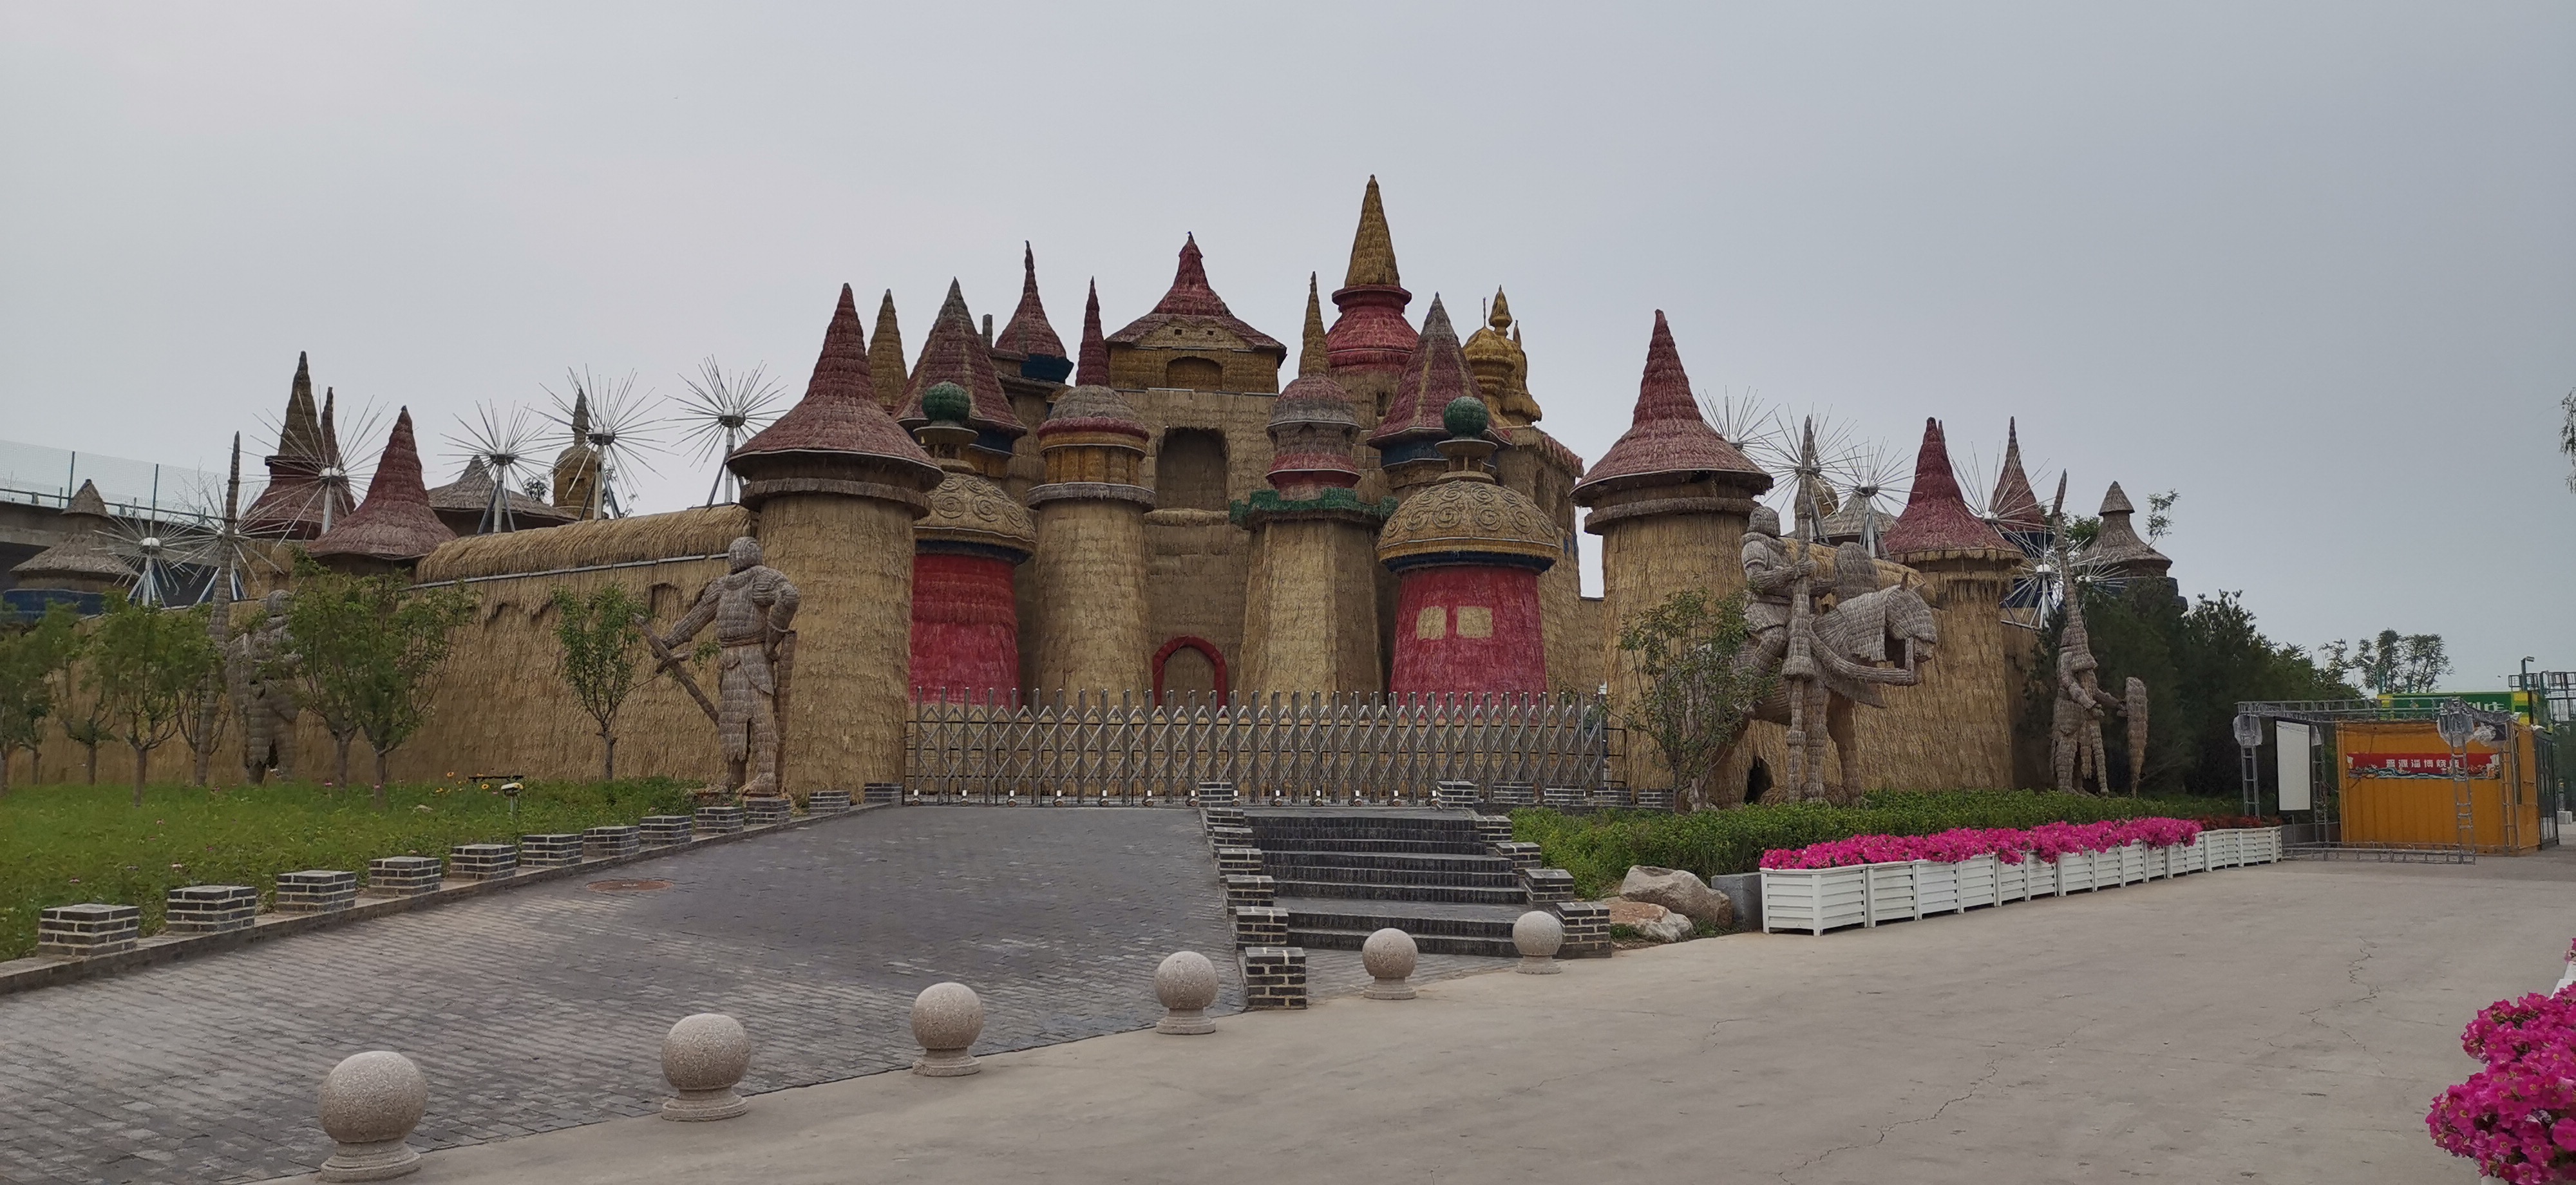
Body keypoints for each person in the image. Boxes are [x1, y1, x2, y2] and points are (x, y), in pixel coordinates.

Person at [662, 536, 799, 797]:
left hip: (754, 657)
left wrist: (772, 640)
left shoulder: (762, 577)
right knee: (732, 721)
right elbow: (697, 617)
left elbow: (789, 596)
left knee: (762, 717)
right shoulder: (723, 585)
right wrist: (670, 640)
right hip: (729, 659)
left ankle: (767, 775)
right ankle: (734, 779)